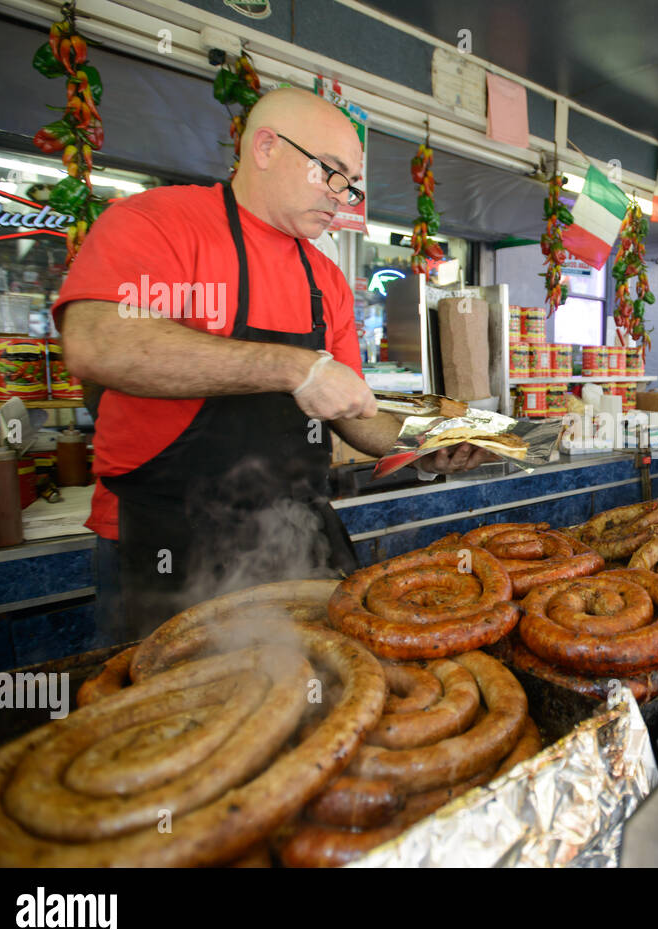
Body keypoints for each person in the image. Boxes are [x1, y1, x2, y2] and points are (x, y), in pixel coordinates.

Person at [57, 88, 492, 642]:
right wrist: (296, 369)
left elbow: (356, 414)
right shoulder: (157, 221)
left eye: (352, 182)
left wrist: (428, 446)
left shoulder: (324, 279)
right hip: (167, 542)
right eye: (331, 172)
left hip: (293, 538)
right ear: (265, 146)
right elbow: (98, 342)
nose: (344, 196)